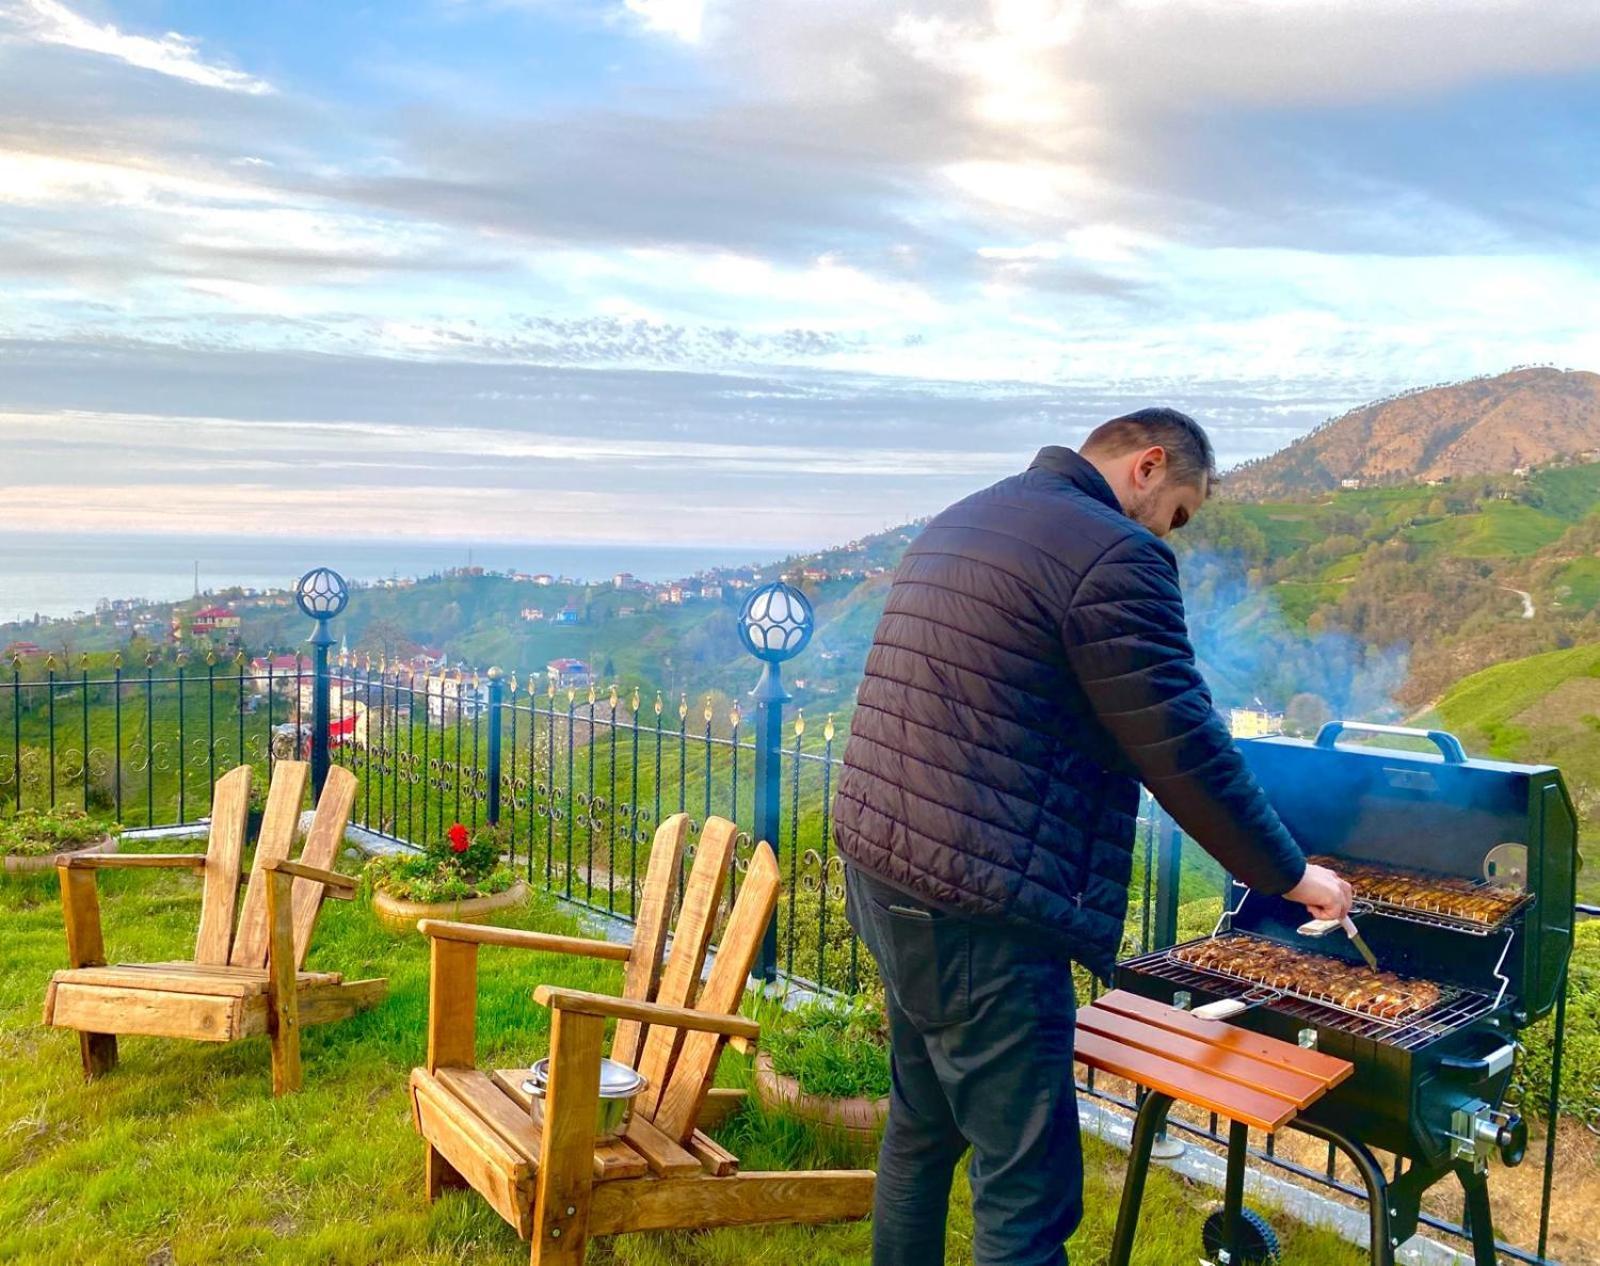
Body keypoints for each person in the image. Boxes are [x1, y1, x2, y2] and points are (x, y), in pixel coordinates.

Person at [832, 408, 1353, 1266]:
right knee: (1027, 1190)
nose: (1170, 533)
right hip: (981, 911)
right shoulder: (1116, 553)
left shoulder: (968, 515)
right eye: (1178, 512)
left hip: (889, 871)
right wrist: (1291, 874)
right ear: (1148, 466)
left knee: (921, 1132)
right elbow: (1181, 743)